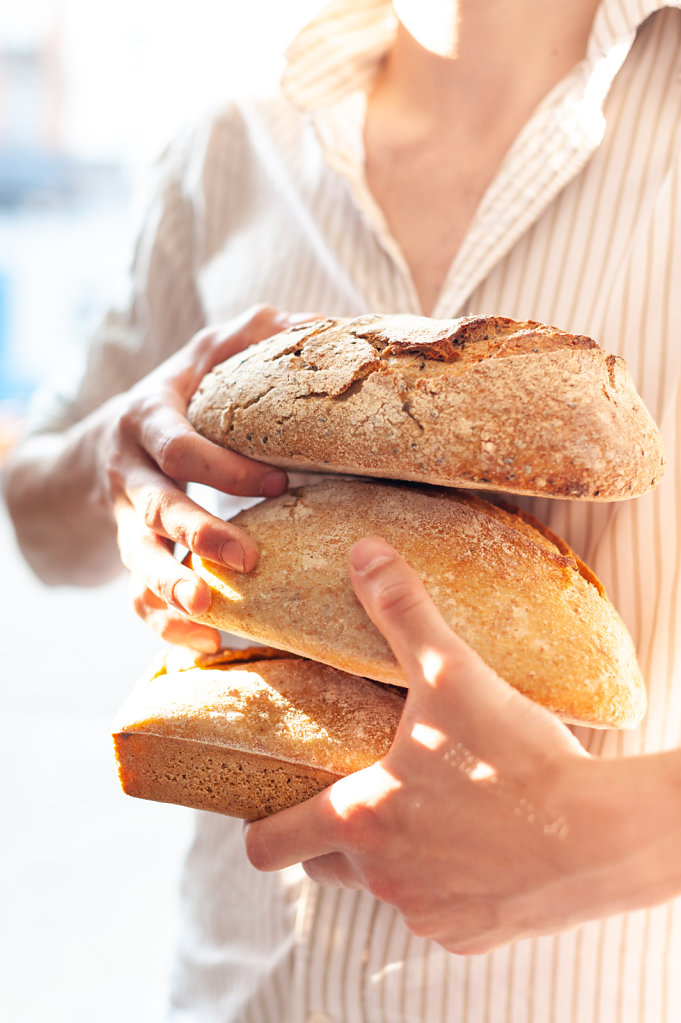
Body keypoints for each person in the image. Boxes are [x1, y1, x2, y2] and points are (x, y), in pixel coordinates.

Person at [5, 0, 681, 1019]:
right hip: (244, 995)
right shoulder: (228, 145)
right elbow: (37, 523)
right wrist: (111, 459)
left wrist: (608, 838)